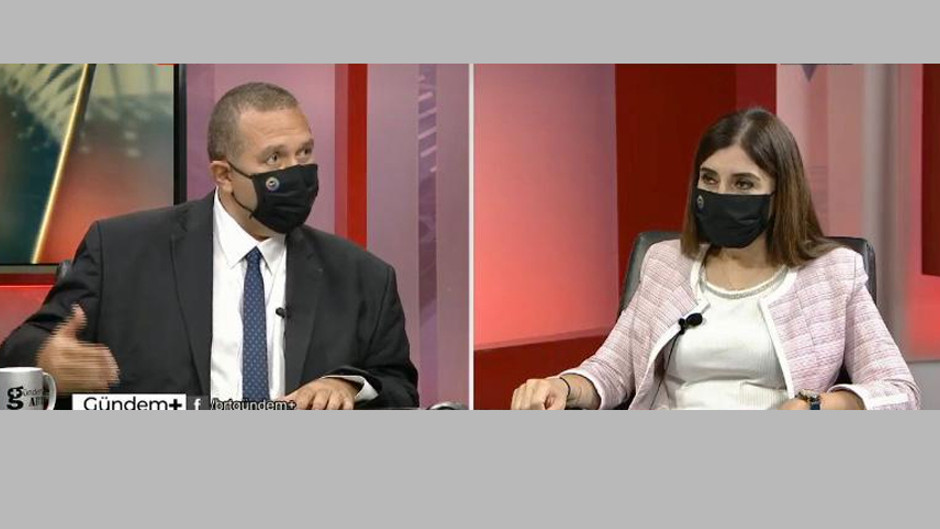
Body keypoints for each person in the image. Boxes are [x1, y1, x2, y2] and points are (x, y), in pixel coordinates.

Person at [0, 82, 418, 410]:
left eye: (304, 153)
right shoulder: (121, 252)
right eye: (274, 159)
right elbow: (16, 352)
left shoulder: (364, 277)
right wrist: (45, 360)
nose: (297, 172)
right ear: (224, 175)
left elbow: (399, 387)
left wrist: (348, 385)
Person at [511, 107, 919, 411]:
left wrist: (818, 406)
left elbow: (898, 392)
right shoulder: (665, 263)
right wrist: (561, 387)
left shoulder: (833, 273)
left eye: (743, 184)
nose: (722, 195)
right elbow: (613, 370)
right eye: (710, 180)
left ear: (781, 195)